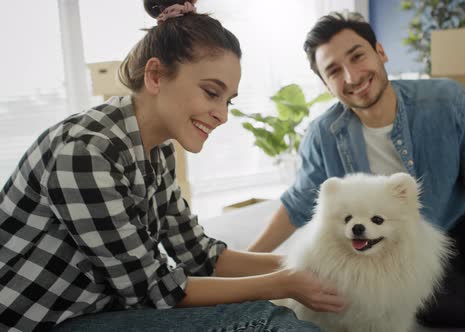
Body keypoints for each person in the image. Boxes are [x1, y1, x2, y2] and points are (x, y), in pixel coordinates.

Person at [0, 1, 345, 331]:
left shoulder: (156, 150)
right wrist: (283, 283)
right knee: (265, 321)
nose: (223, 115)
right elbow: (157, 290)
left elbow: (201, 257)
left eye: (228, 101)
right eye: (212, 92)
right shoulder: (85, 153)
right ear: (155, 75)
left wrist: (314, 265)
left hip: (94, 310)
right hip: (43, 322)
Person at [248, 11, 465, 330]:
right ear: (326, 84)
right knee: (432, 303)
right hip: (414, 259)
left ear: (380, 52)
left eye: (357, 56)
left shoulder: (448, 100)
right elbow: (297, 202)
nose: (351, 76)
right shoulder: (323, 135)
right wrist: (243, 264)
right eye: (334, 71)